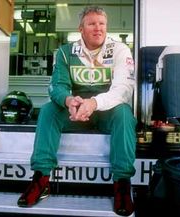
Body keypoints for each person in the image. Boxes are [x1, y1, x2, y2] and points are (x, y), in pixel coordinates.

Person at [17, 5, 137, 216]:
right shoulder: (65, 52)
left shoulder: (120, 50)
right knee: (47, 111)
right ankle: (41, 179)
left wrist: (94, 103)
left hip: (106, 110)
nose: (98, 28)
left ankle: (122, 183)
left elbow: (123, 90)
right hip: (77, 111)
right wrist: (69, 100)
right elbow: (57, 85)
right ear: (81, 29)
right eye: (92, 24)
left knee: (125, 114)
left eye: (102, 24)